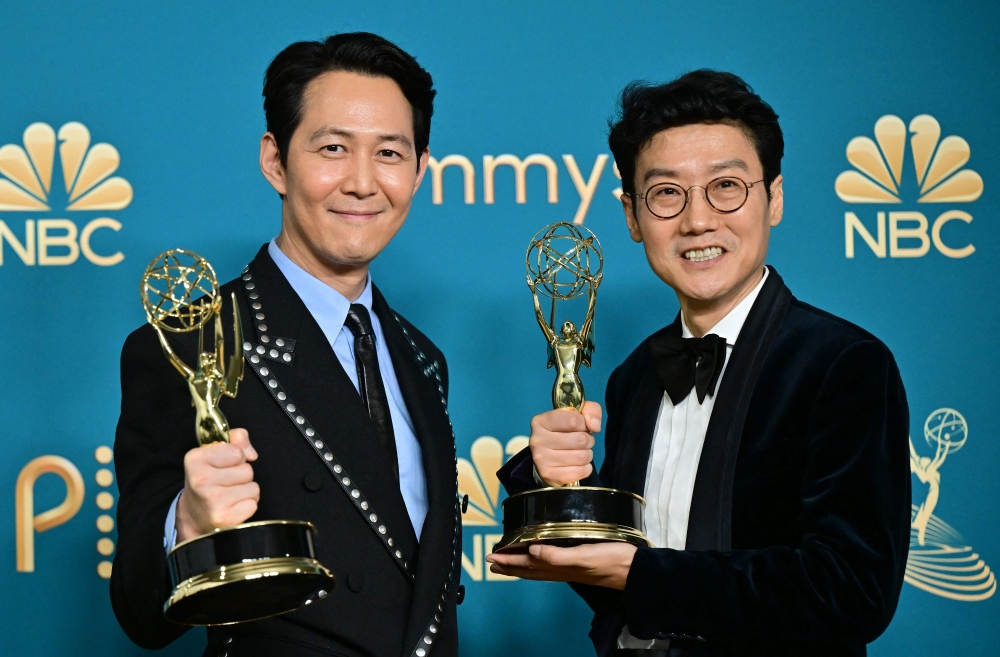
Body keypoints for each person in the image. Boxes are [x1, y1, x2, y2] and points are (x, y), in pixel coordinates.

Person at [488, 70, 911, 657]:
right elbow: (621, 579)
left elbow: (851, 589)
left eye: (727, 187)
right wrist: (548, 484)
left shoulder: (844, 365)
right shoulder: (634, 375)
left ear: (775, 198)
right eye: (666, 193)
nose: (698, 220)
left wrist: (641, 575)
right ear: (633, 217)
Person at [111, 32, 461, 657]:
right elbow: (138, 609)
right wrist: (186, 525)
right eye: (332, 148)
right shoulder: (187, 343)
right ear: (275, 160)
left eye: (389, 153)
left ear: (420, 169)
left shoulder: (422, 357)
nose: (361, 182)